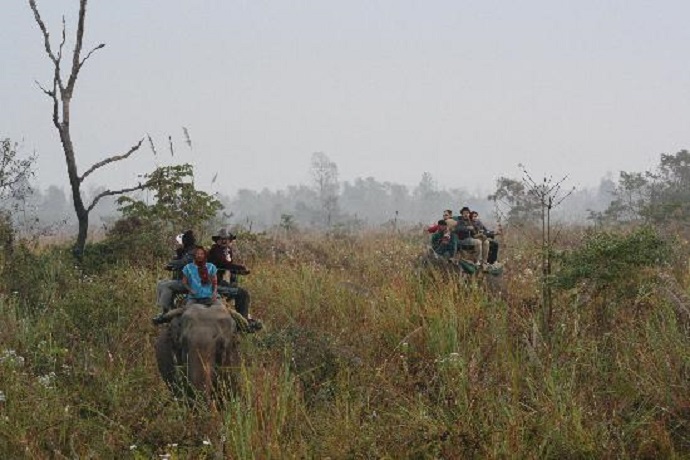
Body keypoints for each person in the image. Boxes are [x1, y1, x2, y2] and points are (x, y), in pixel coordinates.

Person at [207, 229, 255, 322]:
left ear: (230, 240)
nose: (224, 241)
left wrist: (238, 270)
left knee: (233, 286)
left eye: (227, 239)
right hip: (213, 283)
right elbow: (224, 264)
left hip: (220, 280)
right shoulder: (215, 250)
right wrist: (240, 268)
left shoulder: (227, 251)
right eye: (222, 239)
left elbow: (227, 267)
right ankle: (243, 321)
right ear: (218, 240)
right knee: (243, 294)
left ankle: (239, 315)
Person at [155, 230, 197, 315]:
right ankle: (168, 307)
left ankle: (165, 311)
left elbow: (183, 262)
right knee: (161, 283)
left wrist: (171, 264)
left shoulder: (193, 252)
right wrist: (175, 259)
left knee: (166, 285)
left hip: (191, 282)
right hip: (187, 280)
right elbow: (181, 261)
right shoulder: (189, 251)